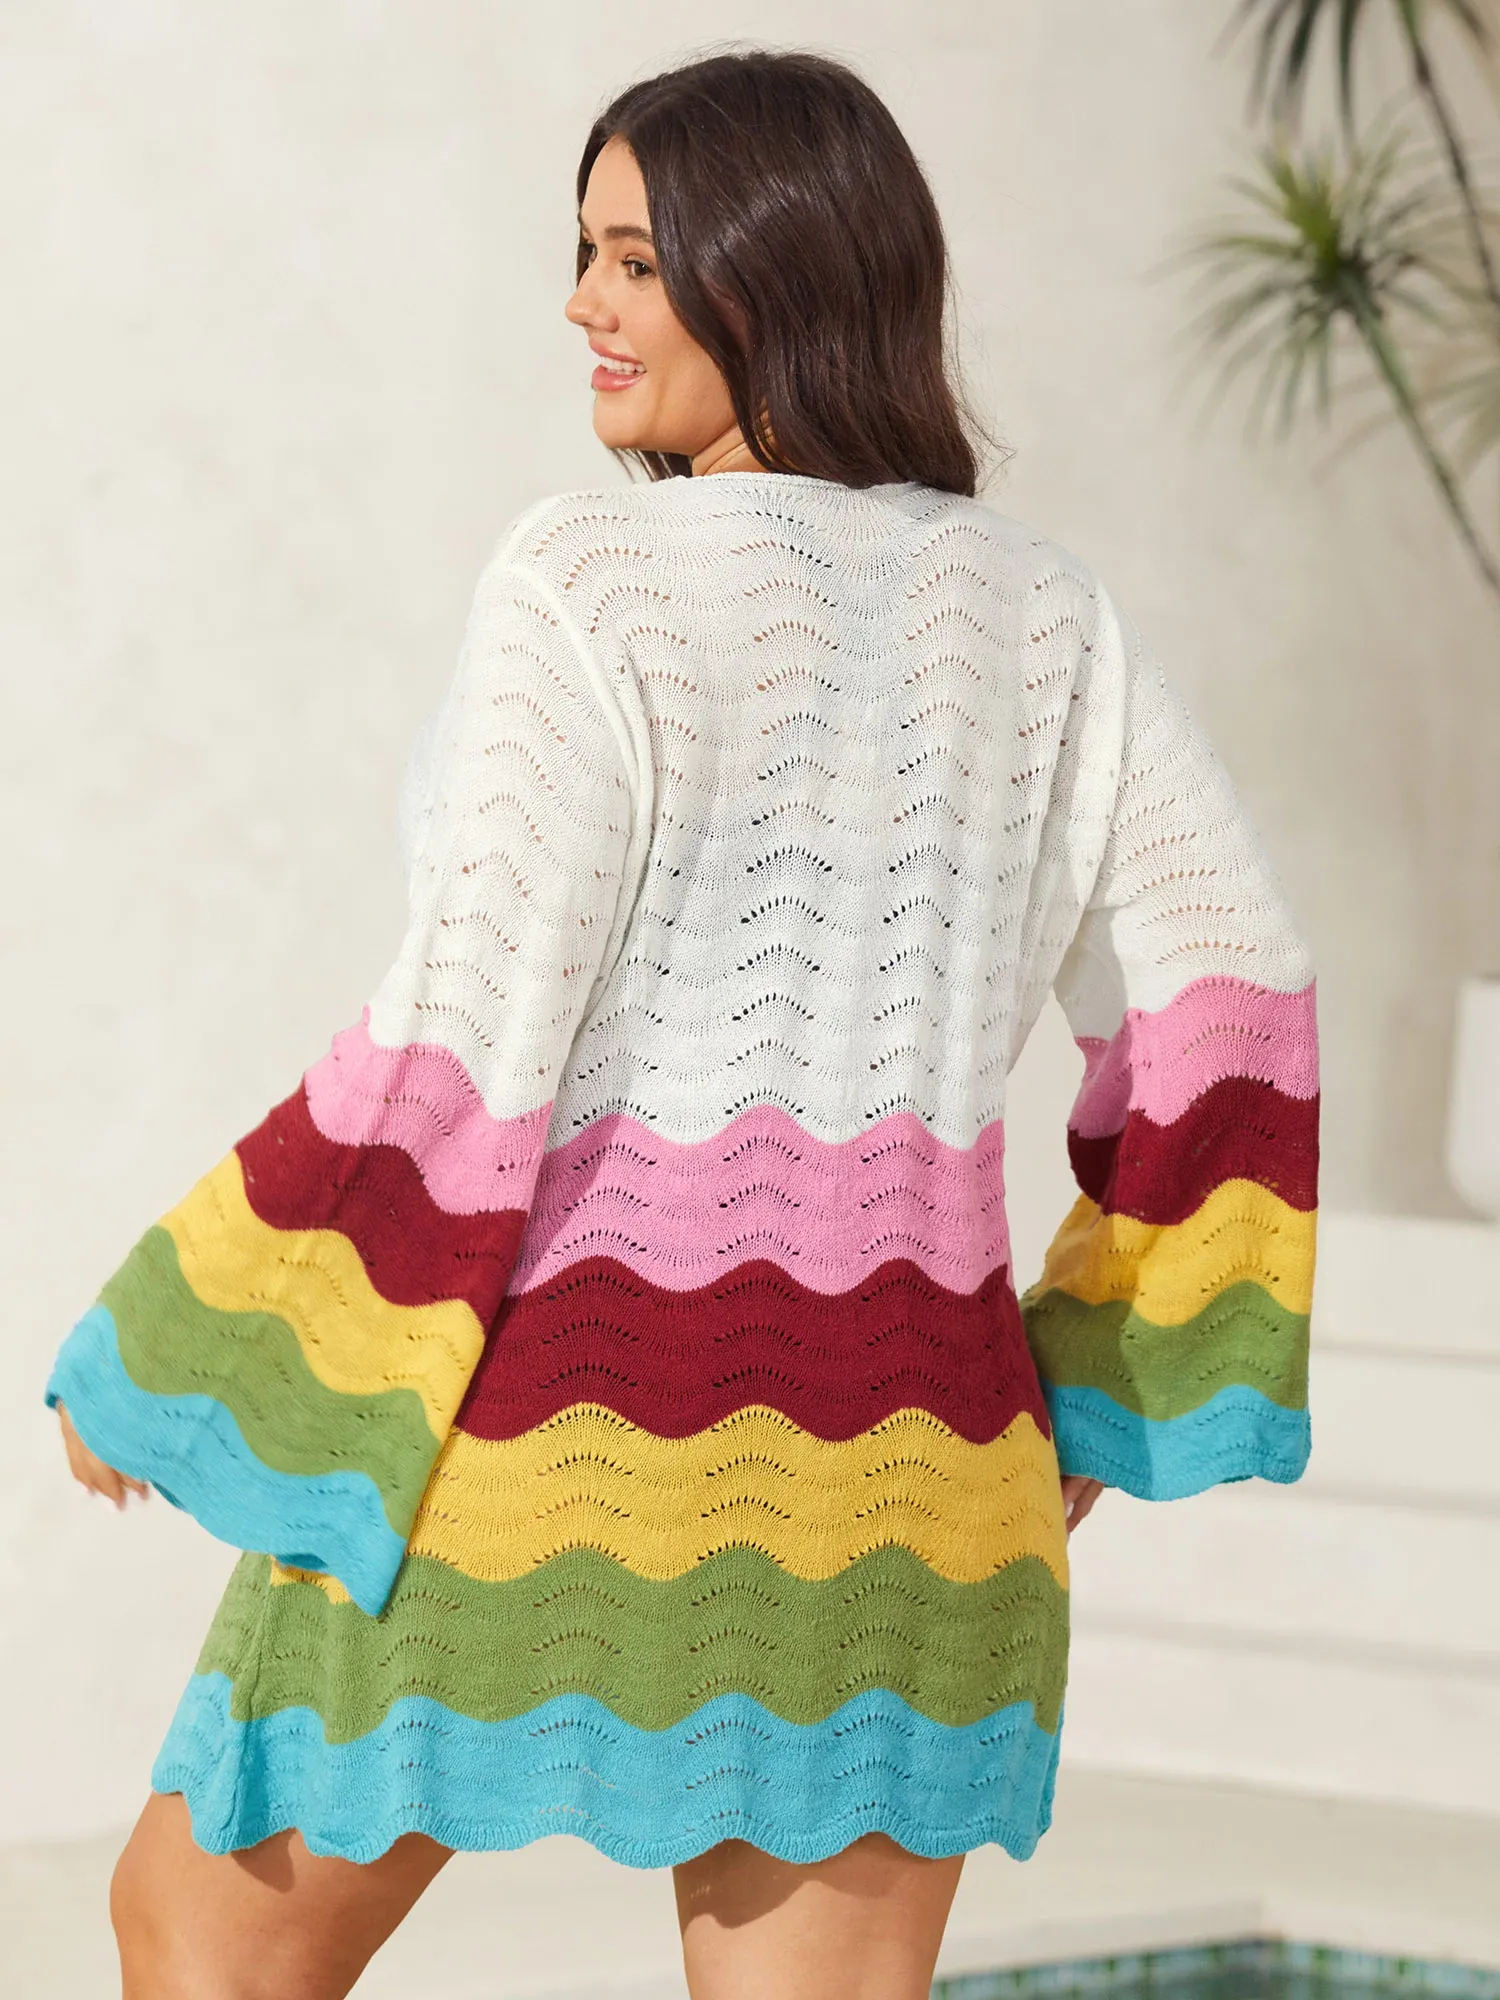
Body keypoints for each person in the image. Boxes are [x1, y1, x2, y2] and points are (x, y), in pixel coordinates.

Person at [48, 47, 1319, 2000]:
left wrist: (181, 1334)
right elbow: (1241, 985)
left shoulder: (591, 581)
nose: (585, 303)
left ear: (778, 266)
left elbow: (474, 1017)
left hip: (562, 1431)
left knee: (201, 1929)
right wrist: (1088, 1367)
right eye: (583, 251)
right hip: (917, 1465)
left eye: (636, 260)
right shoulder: (1051, 617)